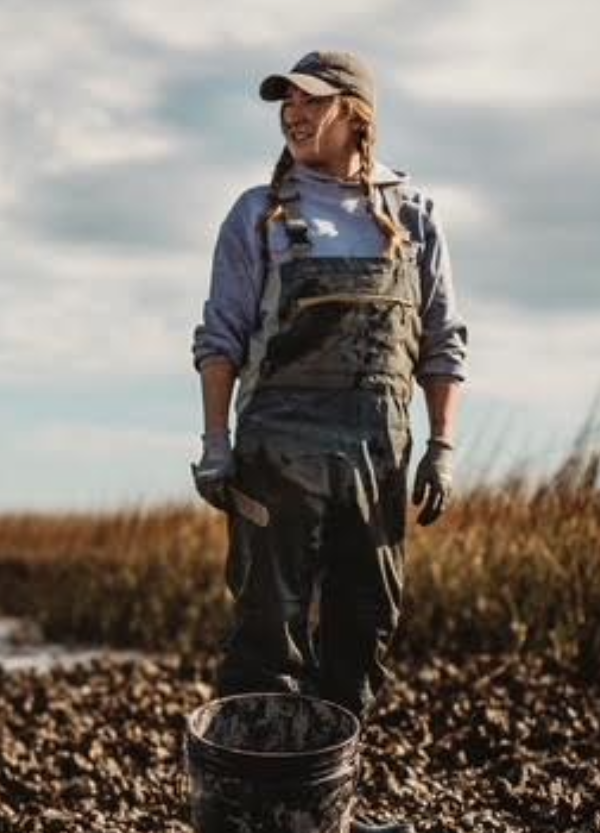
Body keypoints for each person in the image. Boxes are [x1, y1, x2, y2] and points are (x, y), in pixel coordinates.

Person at [190, 51, 468, 825]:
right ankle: (251, 814)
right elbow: (221, 339)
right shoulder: (258, 213)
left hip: (375, 464)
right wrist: (217, 445)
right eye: (285, 102)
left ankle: (325, 815)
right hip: (274, 463)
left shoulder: (414, 216)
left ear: (357, 113)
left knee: (362, 631)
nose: (293, 113)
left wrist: (442, 446)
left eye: (311, 100)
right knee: (265, 638)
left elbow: (442, 343)